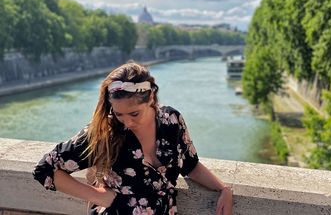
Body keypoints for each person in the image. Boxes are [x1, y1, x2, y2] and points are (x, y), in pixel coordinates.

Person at [33, 62, 233, 215]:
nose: (126, 122)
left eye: (134, 114)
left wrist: (223, 189)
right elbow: (44, 169)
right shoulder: (107, 131)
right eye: (119, 114)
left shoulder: (172, 121)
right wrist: (101, 198)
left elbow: (190, 165)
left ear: (151, 99)